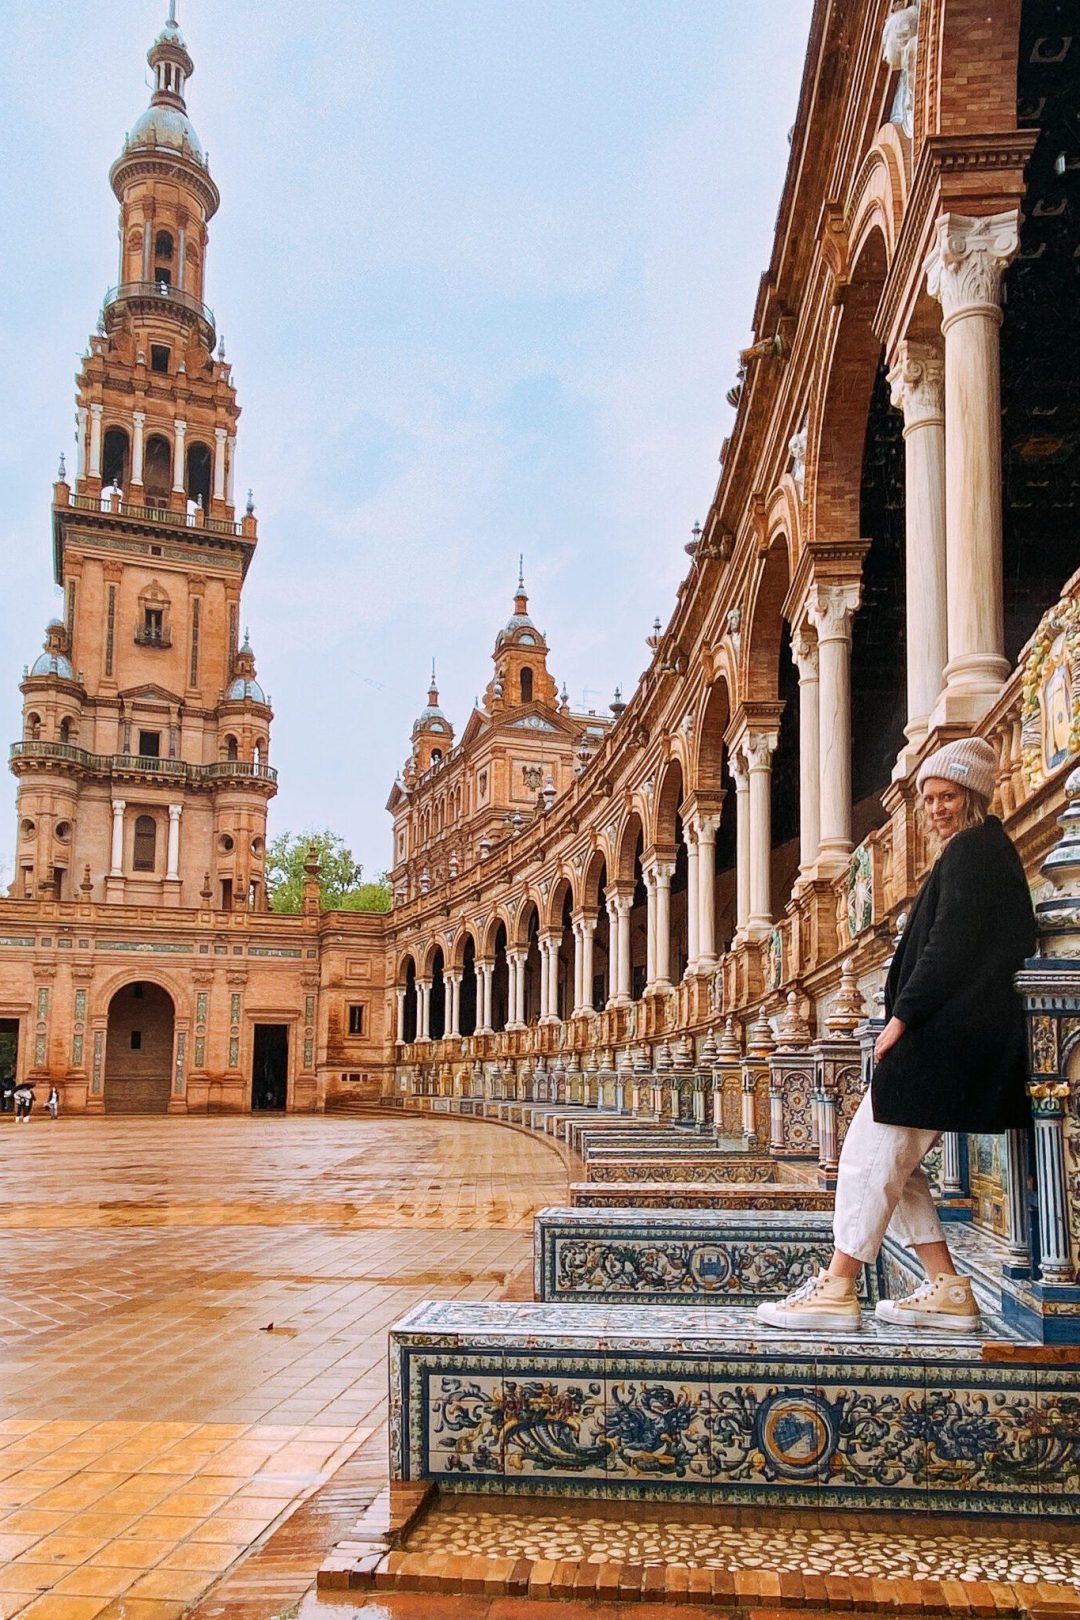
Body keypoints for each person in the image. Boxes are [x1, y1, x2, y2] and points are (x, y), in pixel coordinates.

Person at [758, 736, 1035, 1334]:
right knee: (900, 1169)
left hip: (943, 1038)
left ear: (973, 798)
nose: (935, 807)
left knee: (866, 1157)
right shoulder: (975, 851)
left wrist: (901, 1020)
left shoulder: (975, 852)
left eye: (948, 796)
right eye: (929, 797)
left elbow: (949, 947)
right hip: (953, 1036)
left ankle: (838, 1286)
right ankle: (949, 1288)